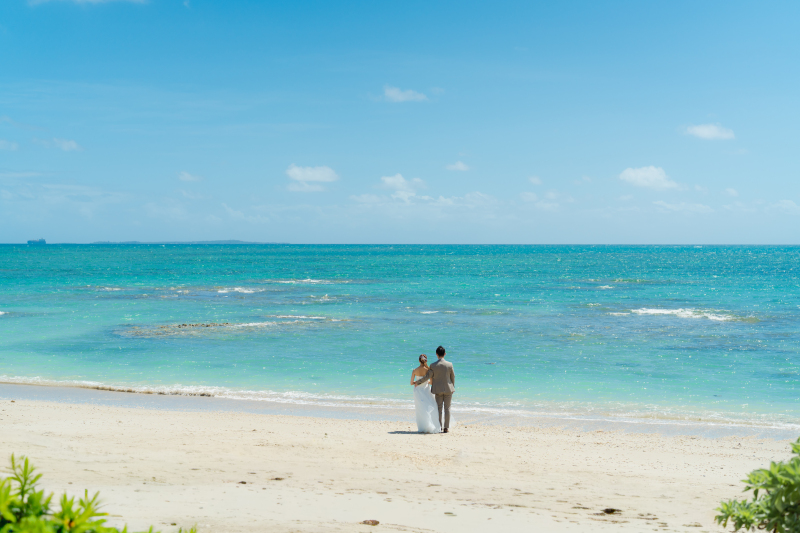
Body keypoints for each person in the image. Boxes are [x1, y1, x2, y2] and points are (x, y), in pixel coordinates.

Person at [412, 346, 455, 433]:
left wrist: (417, 382)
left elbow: (427, 377)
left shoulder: (433, 365)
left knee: (439, 409)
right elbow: (453, 377)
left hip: (438, 390)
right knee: (447, 408)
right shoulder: (450, 364)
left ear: (436, 354)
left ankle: (439, 427)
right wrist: (452, 387)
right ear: (445, 354)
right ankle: (446, 428)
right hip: (448, 389)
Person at [410, 354, 440, 434]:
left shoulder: (414, 370)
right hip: (426, 389)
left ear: (419, 360)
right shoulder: (428, 370)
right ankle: (431, 425)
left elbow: (411, 383)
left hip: (418, 391)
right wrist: (426, 382)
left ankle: (422, 427)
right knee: (429, 407)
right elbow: (431, 382)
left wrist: (417, 382)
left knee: (420, 409)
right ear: (425, 360)